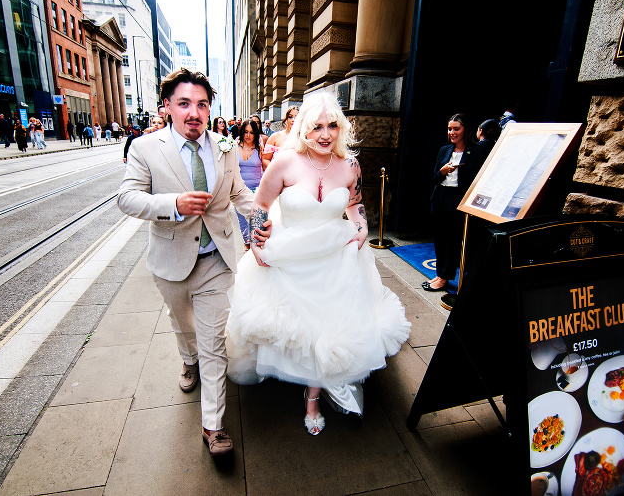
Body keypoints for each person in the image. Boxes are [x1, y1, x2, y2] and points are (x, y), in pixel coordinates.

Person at [226, 92, 411, 435]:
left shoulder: (350, 165)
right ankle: (307, 387)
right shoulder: (285, 161)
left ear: (341, 128)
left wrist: (362, 227)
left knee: (329, 324)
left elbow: (355, 203)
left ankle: (313, 394)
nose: (325, 135)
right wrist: (256, 242)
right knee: (300, 328)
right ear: (302, 129)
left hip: (336, 256)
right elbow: (260, 204)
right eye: (316, 127)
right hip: (291, 258)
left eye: (332, 126)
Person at [117, 68, 270, 456]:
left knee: (214, 343)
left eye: (202, 104)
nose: (194, 112)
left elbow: (239, 192)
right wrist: (173, 204)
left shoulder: (225, 147)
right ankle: (188, 360)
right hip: (170, 259)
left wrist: (260, 218)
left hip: (216, 258)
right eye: (184, 103)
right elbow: (127, 198)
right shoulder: (145, 148)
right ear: (167, 106)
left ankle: (213, 427)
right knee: (182, 324)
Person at [423, 113, 484, 292]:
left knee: (452, 241)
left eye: (456, 129)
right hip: (440, 197)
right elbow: (434, 178)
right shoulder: (444, 150)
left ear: (466, 130)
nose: (452, 132)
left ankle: (445, 278)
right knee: (440, 239)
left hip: (458, 199)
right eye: (450, 129)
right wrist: (442, 171)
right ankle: (439, 274)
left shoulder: (475, 151)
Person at [235, 119, 263, 250]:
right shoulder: (235, 147)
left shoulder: (259, 148)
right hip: (239, 190)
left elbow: (265, 167)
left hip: (257, 189)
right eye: (246, 132)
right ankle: (247, 246)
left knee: (256, 220)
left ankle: (255, 246)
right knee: (242, 221)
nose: (248, 135)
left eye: (251, 132)